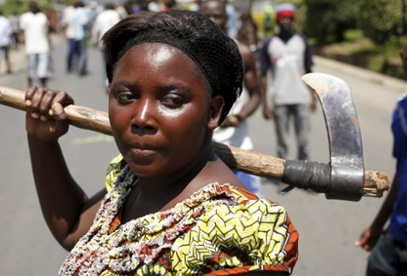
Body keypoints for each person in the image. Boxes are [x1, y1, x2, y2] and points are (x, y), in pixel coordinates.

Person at [24, 10, 298, 275]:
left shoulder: (231, 227)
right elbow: (74, 230)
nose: (141, 118)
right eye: (126, 96)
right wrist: (42, 142)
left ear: (213, 112)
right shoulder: (131, 180)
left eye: (172, 101)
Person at [355, 22, 407, 275]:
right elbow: (405, 172)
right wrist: (377, 226)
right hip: (396, 236)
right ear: (402, 60)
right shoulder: (401, 110)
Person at [199, 0, 264, 198]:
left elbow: (256, 95)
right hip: (197, 154)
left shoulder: (242, 54)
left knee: (252, 216)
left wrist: (237, 117)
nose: (211, 21)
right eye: (206, 16)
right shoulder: (184, 54)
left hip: (237, 149)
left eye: (217, 16)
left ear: (226, 18)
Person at [259, 2, 316, 162]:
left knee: (304, 141)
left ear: (293, 20)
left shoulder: (302, 41)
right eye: (283, 18)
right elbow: (263, 74)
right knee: (282, 142)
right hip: (280, 99)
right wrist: (265, 103)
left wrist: (313, 96)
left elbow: (309, 69)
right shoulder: (269, 44)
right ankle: (285, 176)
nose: (286, 21)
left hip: (301, 98)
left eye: (289, 18)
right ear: (277, 20)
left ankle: (305, 175)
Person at [20, 1, 51, 88]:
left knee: (43, 71)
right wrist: (21, 43)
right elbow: (22, 32)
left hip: (43, 46)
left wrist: (50, 43)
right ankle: (29, 89)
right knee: (30, 70)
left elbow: (47, 31)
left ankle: (44, 88)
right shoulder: (25, 17)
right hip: (30, 47)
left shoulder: (42, 17)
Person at [91, 2, 122, 86]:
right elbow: (118, 27)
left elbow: (96, 29)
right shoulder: (115, 14)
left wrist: (94, 41)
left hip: (103, 42)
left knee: (105, 62)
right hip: (113, 41)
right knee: (114, 62)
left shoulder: (101, 15)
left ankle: (106, 81)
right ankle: (112, 80)